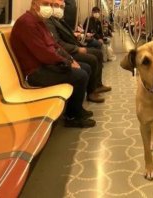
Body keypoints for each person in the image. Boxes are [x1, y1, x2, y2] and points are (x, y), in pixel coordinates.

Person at [10, 0, 95, 128]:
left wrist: (71, 60)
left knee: (86, 67)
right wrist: (66, 62)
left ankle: (77, 109)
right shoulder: (26, 23)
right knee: (80, 75)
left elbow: (55, 45)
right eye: (45, 4)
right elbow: (43, 53)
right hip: (35, 72)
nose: (49, 8)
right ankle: (72, 117)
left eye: (50, 5)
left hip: (45, 65)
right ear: (34, 5)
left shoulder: (39, 22)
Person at [46, 0, 111, 103]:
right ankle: (91, 92)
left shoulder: (58, 20)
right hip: (68, 51)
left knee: (98, 53)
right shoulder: (49, 22)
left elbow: (67, 35)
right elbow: (58, 43)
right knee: (93, 58)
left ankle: (98, 85)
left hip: (72, 46)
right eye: (56, 6)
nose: (60, 9)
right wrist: (78, 48)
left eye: (62, 7)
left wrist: (77, 35)